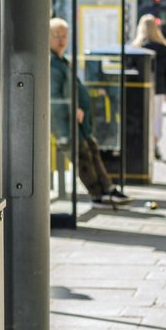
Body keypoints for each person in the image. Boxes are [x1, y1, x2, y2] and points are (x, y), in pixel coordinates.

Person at [49, 18, 130, 207]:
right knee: (83, 154)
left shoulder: (61, 61)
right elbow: (54, 96)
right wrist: (72, 107)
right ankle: (97, 193)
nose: (61, 40)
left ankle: (107, 189)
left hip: (75, 122)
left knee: (92, 149)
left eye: (64, 36)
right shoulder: (53, 64)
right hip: (64, 123)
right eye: (56, 36)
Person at [134, 14, 166, 160]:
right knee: (156, 117)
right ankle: (154, 143)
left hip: (138, 89)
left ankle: (146, 145)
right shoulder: (165, 49)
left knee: (143, 116)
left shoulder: (137, 48)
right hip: (158, 88)